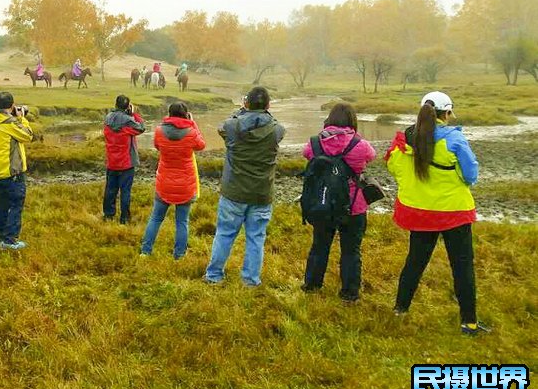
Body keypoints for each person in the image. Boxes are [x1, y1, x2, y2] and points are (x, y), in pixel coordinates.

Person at [386, 92, 487, 335]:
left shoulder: (403, 140)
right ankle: (469, 323)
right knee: (462, 266)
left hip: (420, 212)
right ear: (447, 113)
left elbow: (393, 165)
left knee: (415, 262)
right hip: (454, 212)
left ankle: (400, 311)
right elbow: (471, 175)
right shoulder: (455, 140)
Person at [204, 87, 286, 286]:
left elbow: (222, 127)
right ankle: (250, 280)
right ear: (268, 106)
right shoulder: (278, 130)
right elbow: (274, 125)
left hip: (233, 191)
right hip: (262, 193)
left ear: (246, 103)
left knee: (225, 233)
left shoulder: (232, 127)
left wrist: (241, 111)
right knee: (256, 238)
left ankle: (214, 276)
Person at [300, 102, 376, 302]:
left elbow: (306, 153)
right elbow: (371, 156)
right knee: (351, 251)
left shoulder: (315, 143)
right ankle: (349, 293)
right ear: (352, 120)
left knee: (319, 246)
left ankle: (311, 285)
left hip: (322, 203)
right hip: (353, 206)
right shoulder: (360, 145)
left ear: (330, 120)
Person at [140, 102, 206, 258]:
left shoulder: (158, 131)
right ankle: (179, 255)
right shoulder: (190, 132)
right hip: (185, 184)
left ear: (169, 114)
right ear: (185, 114)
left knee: (155, 218)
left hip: (164, 182)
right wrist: (193, 123)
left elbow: (157, 146)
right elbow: (201, 145)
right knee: (182, 222)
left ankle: (145, 251)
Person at [0, 92, 33, 250]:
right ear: (12, 106)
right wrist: (21, 118)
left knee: (1, 205)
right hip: (12, 172)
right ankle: (10, 240)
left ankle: (0, 237)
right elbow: (28, 135)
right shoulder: (9, 123)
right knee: (15, 205)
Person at [103, 95, 146, 224]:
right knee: (125, 191)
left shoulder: (108, 119)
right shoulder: (128, 121)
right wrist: (135, 114)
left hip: (111, 162)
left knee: (110, 190)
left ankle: (108, 215)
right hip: (126, 163)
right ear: (127, 106)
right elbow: (141, 127)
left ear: (116, 104)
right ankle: (124, 218)